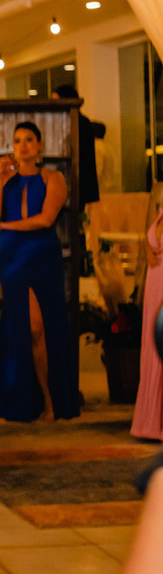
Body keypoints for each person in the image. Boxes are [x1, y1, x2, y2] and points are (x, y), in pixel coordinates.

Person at [0, 121, 80, 422]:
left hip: (41, 253)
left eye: (29, 140)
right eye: (18, 140)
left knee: (43, 326)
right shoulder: (1, 179)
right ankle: (23, 398)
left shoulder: (53, 177)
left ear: (39, 146)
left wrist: (7, 226)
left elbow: (46, 219)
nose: (23, 145)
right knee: (25, 325)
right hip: (11, 255)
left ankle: (51, 402)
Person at [134, 182, 163, 440]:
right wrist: (148, 247)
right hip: (155, 288)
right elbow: (151, 240)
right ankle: (150, 421)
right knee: (152, 349)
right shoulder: (161, 207)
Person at [52, 84, 99, 207]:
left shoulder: (79, 122)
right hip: (74, 181)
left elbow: (80, 155)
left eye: (56, 101)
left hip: (76, 181)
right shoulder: (77, 121)